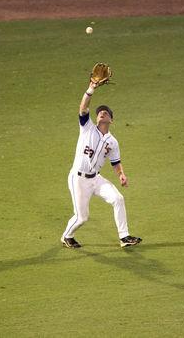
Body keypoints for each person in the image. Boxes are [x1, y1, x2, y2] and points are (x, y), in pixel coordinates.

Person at [60, 75, 141, 249]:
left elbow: (115, 162)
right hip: (78, 178)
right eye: (100, 112)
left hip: (96, 179)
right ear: (96, 118)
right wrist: (91, 89)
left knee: (118, 199)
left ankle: (124, 237)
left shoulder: (113, 141)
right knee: (82, 217)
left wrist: (121, 175)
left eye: (106, 112)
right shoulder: (87, 128)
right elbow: (83, 108)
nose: (102, 113)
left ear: (111, 120)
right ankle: (67, 236)